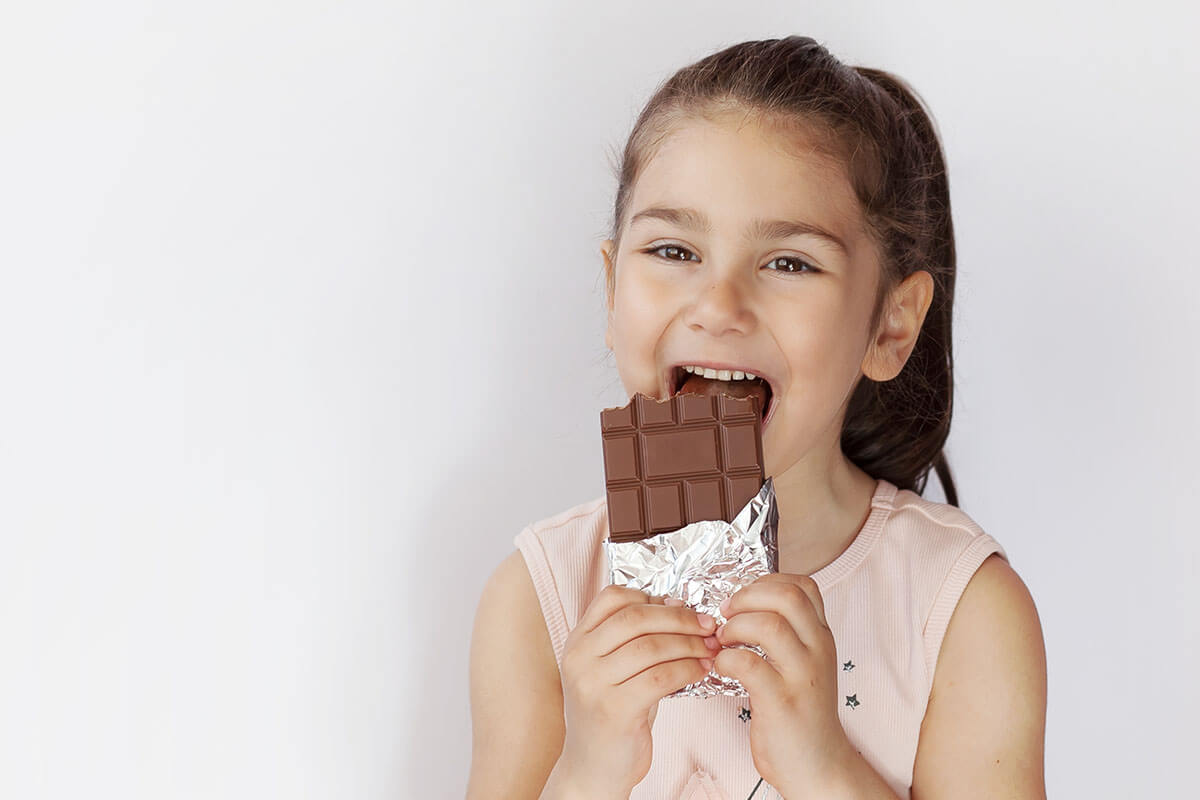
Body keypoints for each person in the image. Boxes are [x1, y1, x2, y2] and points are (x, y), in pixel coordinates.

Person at [467, 36, 1047, 800]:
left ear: (890, 327)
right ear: (612, 294)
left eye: (789, 263)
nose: (718, 307)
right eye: (673, 250)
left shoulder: (963, 610)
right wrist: (591, 766)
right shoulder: (538, 598)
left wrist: (823, 767)